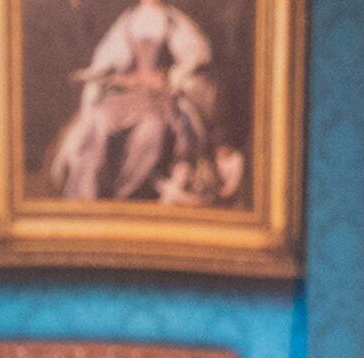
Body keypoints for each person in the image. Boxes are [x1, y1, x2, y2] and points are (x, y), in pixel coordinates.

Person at [44, 2, 236, 207]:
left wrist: (168, 75)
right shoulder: (128, 22)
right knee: (100, 121)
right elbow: (105, 64)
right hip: (126, 97)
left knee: (151, 128)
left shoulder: (175, 22)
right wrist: (127, 79)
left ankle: (124, 196)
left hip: (159, 99)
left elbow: (195, 60)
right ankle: (87, 198)